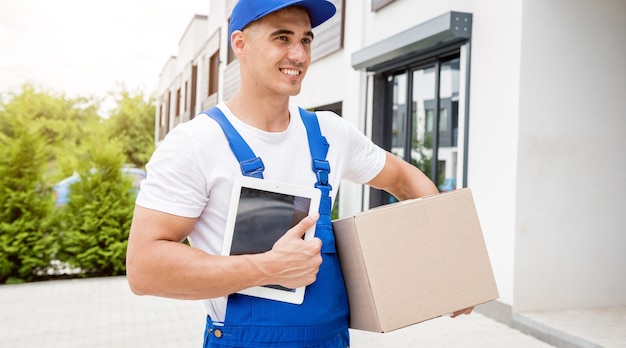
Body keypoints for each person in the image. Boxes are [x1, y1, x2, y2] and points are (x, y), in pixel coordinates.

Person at [126, 0, 473, 347]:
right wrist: (268, 268)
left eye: (306, 40)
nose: (299, 55)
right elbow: (144, 268)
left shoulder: (330, 134)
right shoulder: (196, 144)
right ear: (240, 44)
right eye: (282, 38)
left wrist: (448, 271)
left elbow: (405, 179)